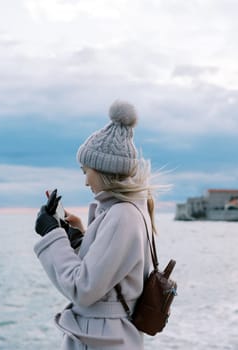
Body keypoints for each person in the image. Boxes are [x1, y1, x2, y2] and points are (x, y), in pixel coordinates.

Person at [34, 100, 156, 349]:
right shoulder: (129, 210)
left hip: (102, 338)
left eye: (85, 171)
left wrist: (52, 234)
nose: (86, 182)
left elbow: (84, 288)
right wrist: (78, 238)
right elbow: (110, 273)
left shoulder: (122, 215)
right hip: (111, 335)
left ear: (102, 170)